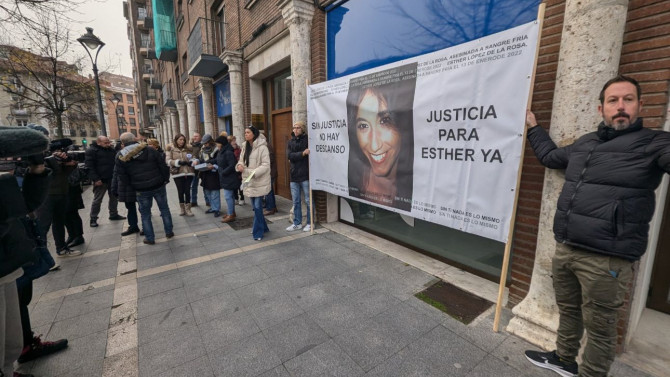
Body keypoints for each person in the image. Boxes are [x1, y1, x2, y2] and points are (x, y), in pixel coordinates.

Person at [523, 75, 670, 377]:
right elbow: (551, 157)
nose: (620, 107)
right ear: (601, 108)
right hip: (566, 247)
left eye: (627, 100)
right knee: (569, 311)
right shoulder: (585, 143)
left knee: (600, 329)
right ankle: (564, 359)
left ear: (640, 105)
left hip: (607, 260)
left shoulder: (655, 144)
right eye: (613, 101)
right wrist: (533, 127)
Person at [1, 126, 68, 377]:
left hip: (10, 260)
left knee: (13, 323)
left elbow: (24, 205)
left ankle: (22, 351)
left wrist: (37, 168)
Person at [346, 67, 416, 211]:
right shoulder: (354, 182)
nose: (374, 144)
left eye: (385, 121)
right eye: (363, 125)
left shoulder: (414, 188)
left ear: (402, 125)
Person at [115, 132, 173, 245]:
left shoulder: (120, 156)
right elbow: (162, 164)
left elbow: (122, 175)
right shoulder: (149, 149)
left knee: (145, 214)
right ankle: (169, 231)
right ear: (135, 139)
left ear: (123, 143)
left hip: (141, 188)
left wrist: (132, 186)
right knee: (164, 209)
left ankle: (150, 238)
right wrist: (165, 179)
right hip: (158, 184)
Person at [38, 141, 82, 257]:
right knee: (43, 226)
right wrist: (51, 162)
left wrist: (68, 163)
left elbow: (66, 173)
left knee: (59, 222)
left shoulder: (57, 158)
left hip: (61, 192)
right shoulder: (37, 158)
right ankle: (42, 256)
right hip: (46, 195)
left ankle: (61, 248)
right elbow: (41, 175)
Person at [235, 126, 271, 241]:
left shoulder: (262, 147)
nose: (246, 134)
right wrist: (239, 165)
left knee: (257, 206)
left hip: (259, 181)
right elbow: (241, 160)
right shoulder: (245, 146)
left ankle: (257, 232)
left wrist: (251, 172)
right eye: (245, 132)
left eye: (248, 132)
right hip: (248, 181)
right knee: (255, 208)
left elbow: (265, 165)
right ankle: (264, 227)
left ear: (254, 134)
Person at [85, 135, 126, 227]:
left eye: (108, 142)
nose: (108, 144)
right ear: (99, 142)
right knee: (97, 199)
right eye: (106, 143)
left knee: (114, 197)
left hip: (111, 178)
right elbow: (89, 167)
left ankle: (113, 214)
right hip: (100, 179)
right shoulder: (91, 151)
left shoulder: (110, 150)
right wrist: (95, 179)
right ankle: (93, 218)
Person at [111, 138, 141, 237]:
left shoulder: (121, 154)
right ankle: (143, 226)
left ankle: (134, 226)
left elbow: (117, 172)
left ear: (123, 144)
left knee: (132, 207)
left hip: (127, 185)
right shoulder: (143, 150)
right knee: (142, 207)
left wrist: (114, 187)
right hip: (139, 183)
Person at [285, 121, 312, 232]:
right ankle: (297, 223)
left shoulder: (307, 141)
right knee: (296, 201)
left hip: (305, 175)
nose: (295, 130)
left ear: (303, 129)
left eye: (298, 128)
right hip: (294, 175)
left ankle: (310, 223)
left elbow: (293, 156)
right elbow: (289, 155)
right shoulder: (290, 142)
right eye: (294, 127)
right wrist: (302, 154)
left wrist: (296, 156)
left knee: (308, 200)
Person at [166, 134, 195, 217]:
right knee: (180, 191)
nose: (182, 141)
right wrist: (178, 162)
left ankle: (188, 209)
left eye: (183, 139)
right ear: (176, 140)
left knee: (187, 190)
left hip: (189, 172)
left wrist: (192, 161)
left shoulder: (189, 148)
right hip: (178, 173)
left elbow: (194, 157)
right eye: (180, 139)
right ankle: (182, 208)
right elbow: (167, 160)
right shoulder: (170, 149)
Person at [194, 134, 222, 217]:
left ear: (210, 142)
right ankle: (212, 207)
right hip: (205, 173)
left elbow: (218, 160)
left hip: (214, 173)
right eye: (204, 143)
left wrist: (210, 163)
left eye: (206, 143)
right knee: (207, 191)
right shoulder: (202, 150)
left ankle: (216, 209)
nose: (204, 145)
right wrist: (197, 161)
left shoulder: (217, 149)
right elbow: (200, 158)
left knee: (215, 192)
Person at [216, 134, 240, 223]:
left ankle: (230, 215)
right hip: (225, 178)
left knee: (228, 196)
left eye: (217, 143)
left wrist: (223, 172)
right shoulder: (221, 151)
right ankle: (231, 212)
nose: (216, 145)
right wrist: (208, 162)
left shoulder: (228, 152)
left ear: (221, 143)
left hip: (229, 178)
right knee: (230, 196)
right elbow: (217, 160)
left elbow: (232, 165)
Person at [263, 136, 278, 216]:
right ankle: (273, 207)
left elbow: (270, 160)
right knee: (269, 191)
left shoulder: (267, 147)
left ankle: (270, 208)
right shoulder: (266, 146)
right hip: (269, 172)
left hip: (270, 173)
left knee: (268, 191)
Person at [229, 135, 245, 205]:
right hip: (232, 170)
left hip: (238, 169)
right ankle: (236, 198)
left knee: (240, 185)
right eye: (233, 141)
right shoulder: (228, 150)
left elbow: (241, 158)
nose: (235, 142)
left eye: (235, 140)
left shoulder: (238, 149)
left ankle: (242, 198)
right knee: (234, 185)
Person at [189, 132, 203, 207]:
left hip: (202, 167)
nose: (195, 137)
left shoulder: (203, 146)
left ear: (200, 137)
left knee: (205, 185)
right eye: (194, 136)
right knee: (193, 185)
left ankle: (208, 201)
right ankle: (193, 201)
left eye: (197, 136)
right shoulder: (190, 146)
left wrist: (198, 160)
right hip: (193, 168)